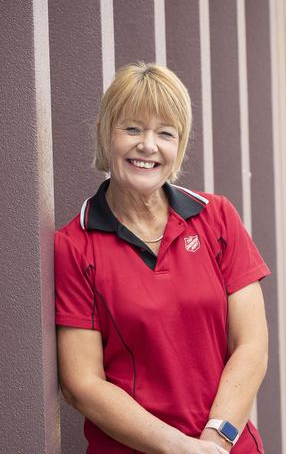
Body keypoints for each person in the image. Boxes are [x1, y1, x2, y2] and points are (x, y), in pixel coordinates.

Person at [55, 62, 270, 454]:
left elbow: (251, 344)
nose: (148, 146)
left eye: (165, 133)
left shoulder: (216, 217)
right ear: (106, 134)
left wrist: (214, 440)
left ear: (179, 145)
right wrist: (181, 448)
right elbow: (81, 383)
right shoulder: (74, 246)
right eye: (132, 128)